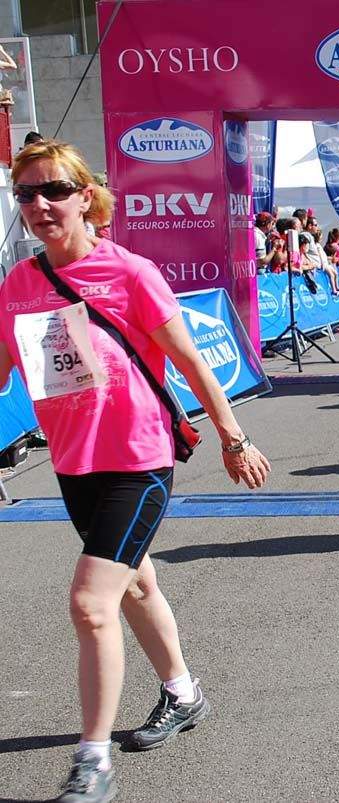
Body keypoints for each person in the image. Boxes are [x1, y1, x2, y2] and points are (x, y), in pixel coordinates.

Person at [0, 139, 271, 803]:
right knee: (135, 585)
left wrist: (233, 438)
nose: (38, 204)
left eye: (53, 189)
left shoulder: (130, 272)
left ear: (85, 196)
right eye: (25, 193)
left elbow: (194, 363)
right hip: (73, 465)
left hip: (139, 462)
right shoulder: (17, 285)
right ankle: (183, 692)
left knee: (91, 603)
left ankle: (93, 762)